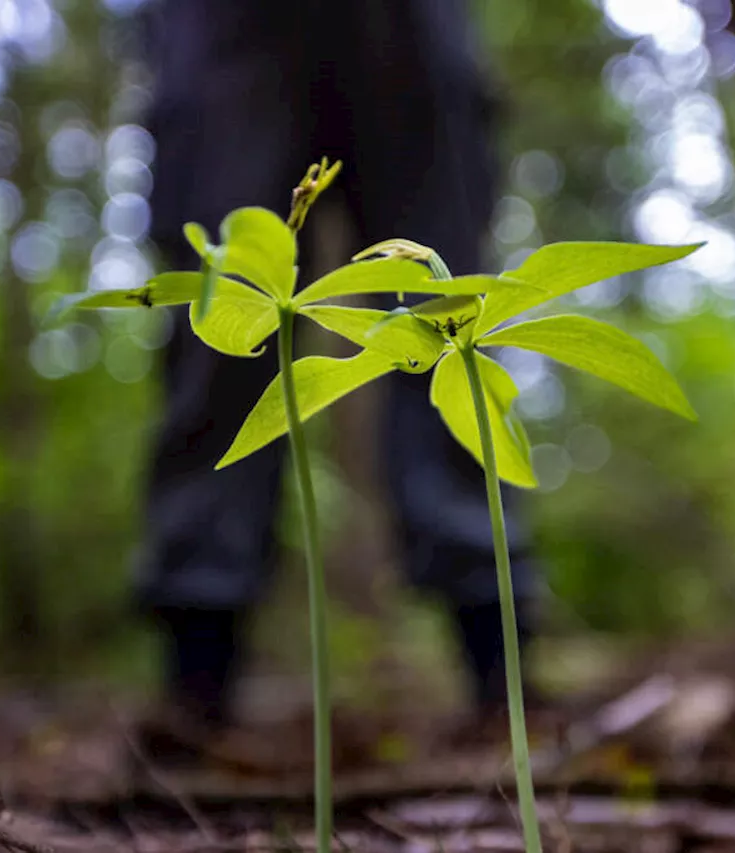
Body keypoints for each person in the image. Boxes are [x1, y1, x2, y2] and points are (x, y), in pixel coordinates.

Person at [132, 0, 543, 748]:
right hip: (218, 25)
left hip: (412, 20)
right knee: (225, 320)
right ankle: (194, 681)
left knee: (443, 318)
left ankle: (504, 674)